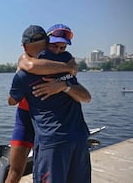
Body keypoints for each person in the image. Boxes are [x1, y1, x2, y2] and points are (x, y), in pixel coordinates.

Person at [8, 25, 91, 183]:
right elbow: (29, 65)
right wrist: (67, 68)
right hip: (27, 120)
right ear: (45, 44)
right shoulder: (27, 64)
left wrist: (64, 86)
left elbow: (87, 97)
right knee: (15, 172)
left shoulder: (65, 64)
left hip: (54, 132)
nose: (59, 51)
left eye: (63, 47)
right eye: (55, 46)